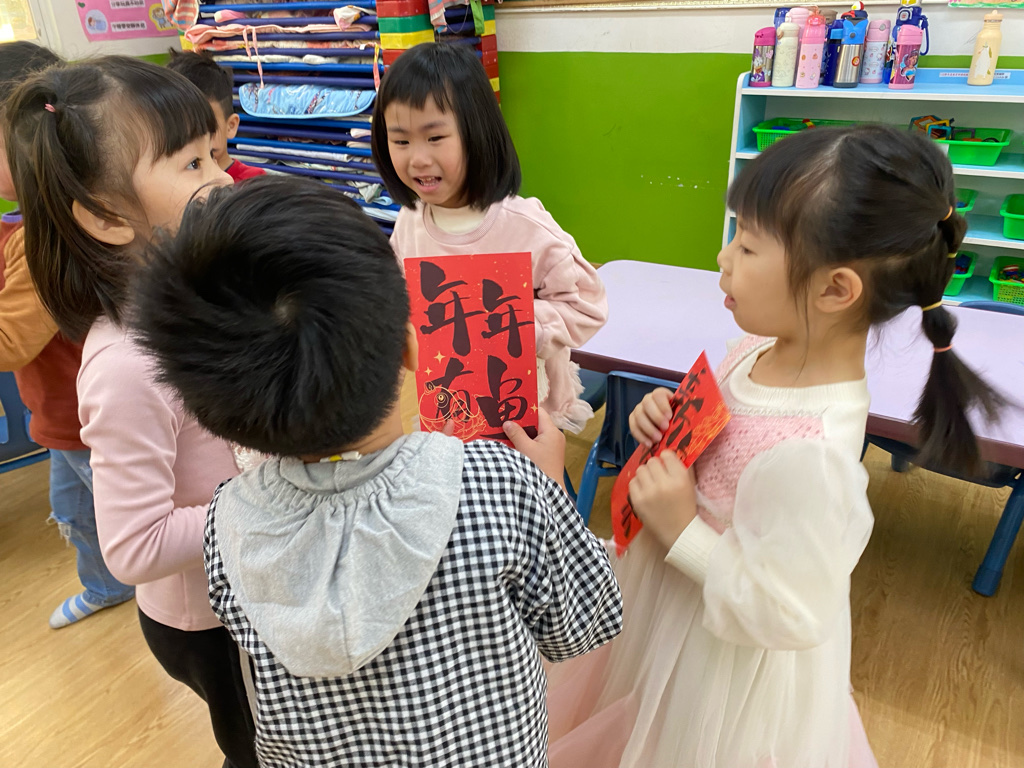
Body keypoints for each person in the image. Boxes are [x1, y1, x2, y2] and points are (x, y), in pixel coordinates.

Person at [546, 125, 1006, 768]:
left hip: (716, 660)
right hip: (667, 608)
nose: (723, 257)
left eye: (748, 244)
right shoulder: (763, 347)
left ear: (835, 289)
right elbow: (723, 433)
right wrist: (667, 417)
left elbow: (787, 611)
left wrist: (682, 529)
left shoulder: (812, 454)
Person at [129, 174, 623, 767]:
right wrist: (547, 485)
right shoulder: (501, 485)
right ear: (413, 351)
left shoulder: (225, 522)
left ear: (211, 411)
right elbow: (582, 625)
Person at [6, 56, 257, 768]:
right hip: (210, 621)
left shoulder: (200, 291)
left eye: (215, 154)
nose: (220, 178)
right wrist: (271, 501)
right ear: (108, 217)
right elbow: (135, 545)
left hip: (254, 584)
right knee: (262, 750)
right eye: (192, 164)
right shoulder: (125, 366)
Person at [371, 42, 607, 434]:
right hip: (449, 407)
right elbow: (398, 295)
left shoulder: (525, 226)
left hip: (529, 415)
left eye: (435, 137)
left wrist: (521, 325)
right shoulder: (410, 222)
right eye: (401, 141)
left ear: (476, 133)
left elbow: (587, 307)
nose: (418, 159)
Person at [0, 40, 134, 629]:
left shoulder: (40, 240)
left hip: (81, 416)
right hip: (60, 415)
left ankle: (143, 586)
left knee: (111, 511)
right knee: (75, 509)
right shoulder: (33, 224)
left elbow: (11, 340)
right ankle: (107, 584)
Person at [166, 49, 265, 183]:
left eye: (205, 126)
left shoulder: (254, 182)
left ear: (230, 126)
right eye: (180, 126)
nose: (193, 137)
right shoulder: (172, 183)